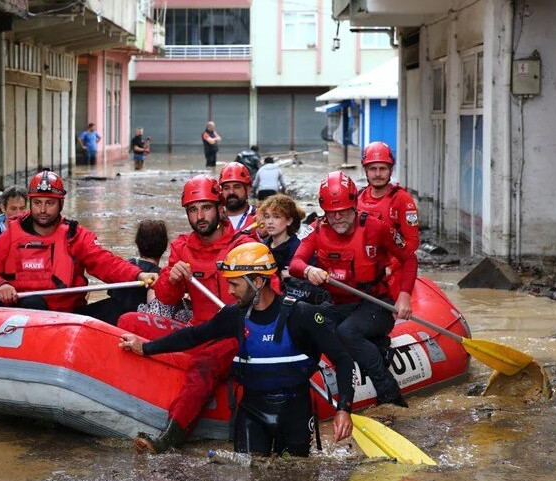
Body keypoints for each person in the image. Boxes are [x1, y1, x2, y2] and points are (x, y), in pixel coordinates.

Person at [120, 242, 356, 455]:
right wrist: (147, 348)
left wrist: (344, 409)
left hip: (294, 413)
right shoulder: (234, 316)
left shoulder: (301, 315)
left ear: (258, 281)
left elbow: (342, 359)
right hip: (252, 412)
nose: (230, 291)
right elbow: (194, 336)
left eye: (234, 284)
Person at [117, 175, 259, 454]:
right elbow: (166, 298)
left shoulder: (244, 243)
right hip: (197, 329)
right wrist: (172, 276)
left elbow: (268, 292)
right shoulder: (182, 247)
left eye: (206, 208)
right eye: (193, 210)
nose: (200, 216)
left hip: (233, 333)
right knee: (127, 322)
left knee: (204, 365)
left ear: (220, 209)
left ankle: (171, 436)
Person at [290, 171, 418, 407]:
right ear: (324, 211)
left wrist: (404, 296)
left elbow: (409, 258)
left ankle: (390, 395)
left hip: (375, 305)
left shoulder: (375, 227)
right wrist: (308, 271)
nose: (337, 218)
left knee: (347, 332)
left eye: (343, 211)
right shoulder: (317, 230)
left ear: (354, 206)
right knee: (303, 317)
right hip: (338, 305)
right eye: (331, 212)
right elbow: (296, 263)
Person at [0, 170, 157, 315]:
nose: (43, 210)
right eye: (37, 203)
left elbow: (106, 263)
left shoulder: (75, 235)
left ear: (61, 204)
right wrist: (0, 285)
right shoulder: (10, 235)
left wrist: (139, 275)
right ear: (31, 203)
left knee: (130, 302)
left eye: (50, 203)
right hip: (24, 317)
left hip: (68, 317)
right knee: (33, 302)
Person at [356, 141, 421, 291]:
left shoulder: (402, 200)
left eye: (382, 169)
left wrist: (391, 267)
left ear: (390, 170)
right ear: (365, 171)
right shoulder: (357, 198)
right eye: (373, 169)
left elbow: (412, 242)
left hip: (392, 270)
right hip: (364, 268)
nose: (378, 174)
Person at [81, 219, 168, 325]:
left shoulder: (121, 267)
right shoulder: (159, 276)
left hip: (110, 319)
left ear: (137, 242)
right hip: (130, 325)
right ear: (165, 246)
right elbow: (156, 314)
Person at [257, 194, 329, 306]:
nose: (270, 222)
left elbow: (315, 279)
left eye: (276, 217)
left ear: (289, 221)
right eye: (267, 217)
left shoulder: (300, 248)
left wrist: (295, 275)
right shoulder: (263, 247)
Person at [218, 162, 257, 232]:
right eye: (226, 188)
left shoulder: (262, 218)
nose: (231, 192)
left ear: (248, 189)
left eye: (237, 187)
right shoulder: (214, 222)